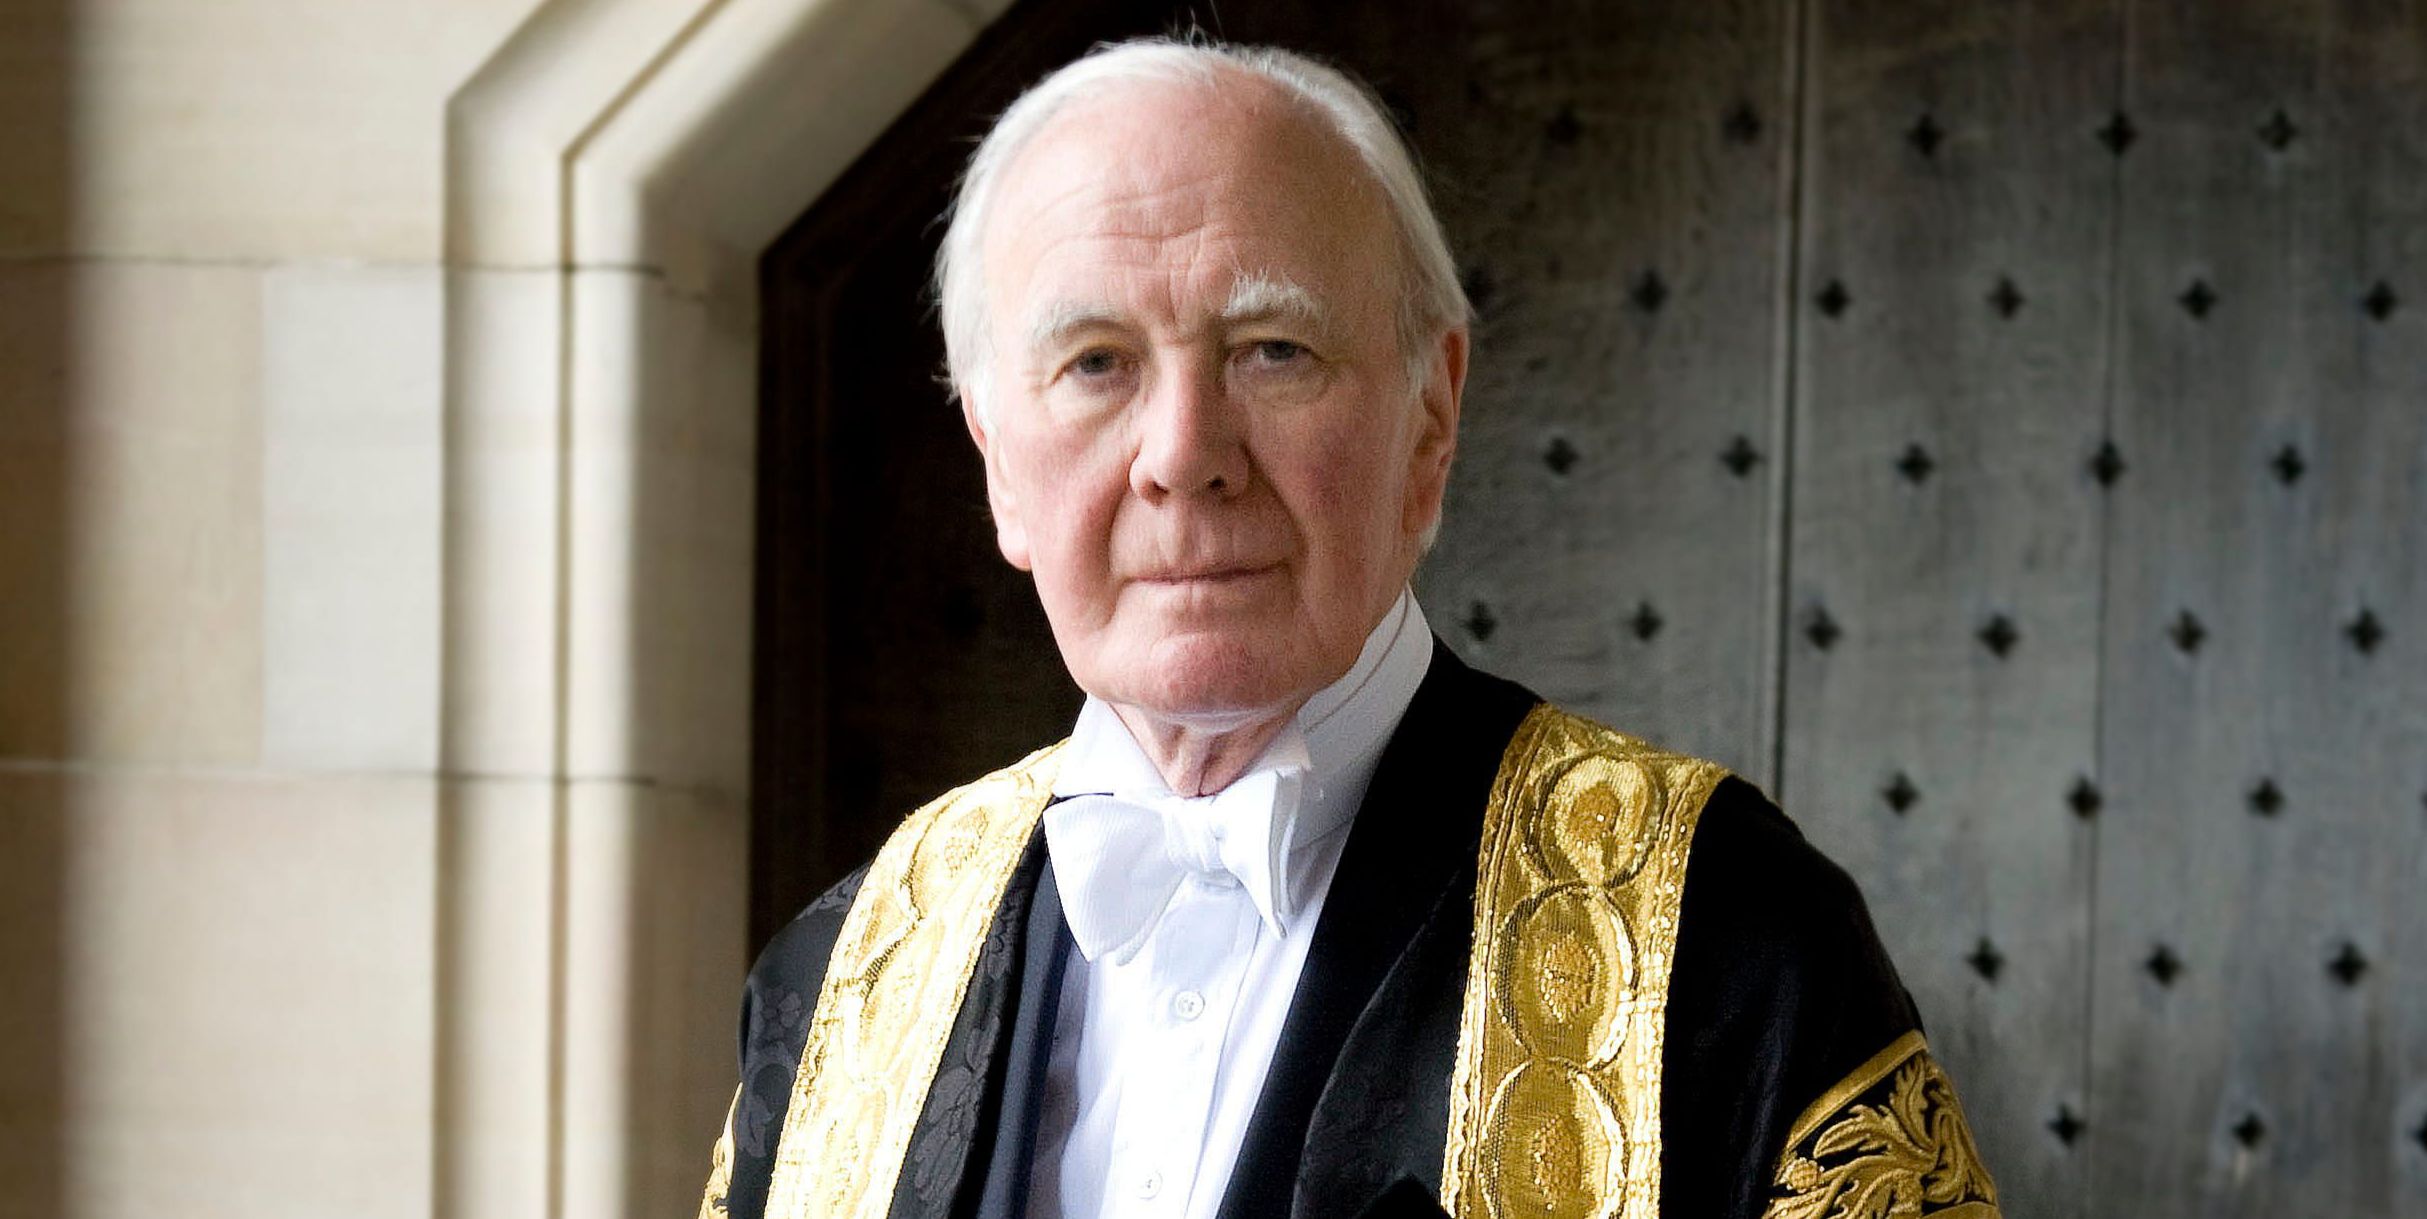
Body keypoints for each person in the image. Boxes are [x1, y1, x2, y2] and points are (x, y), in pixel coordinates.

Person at [698, 36, 2000, 1219]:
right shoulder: (845, 978)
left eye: (1272, 349)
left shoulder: (1730, 940)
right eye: (1096, 363)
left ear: (1430, 419)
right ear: (995, 461)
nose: (1183, 455)